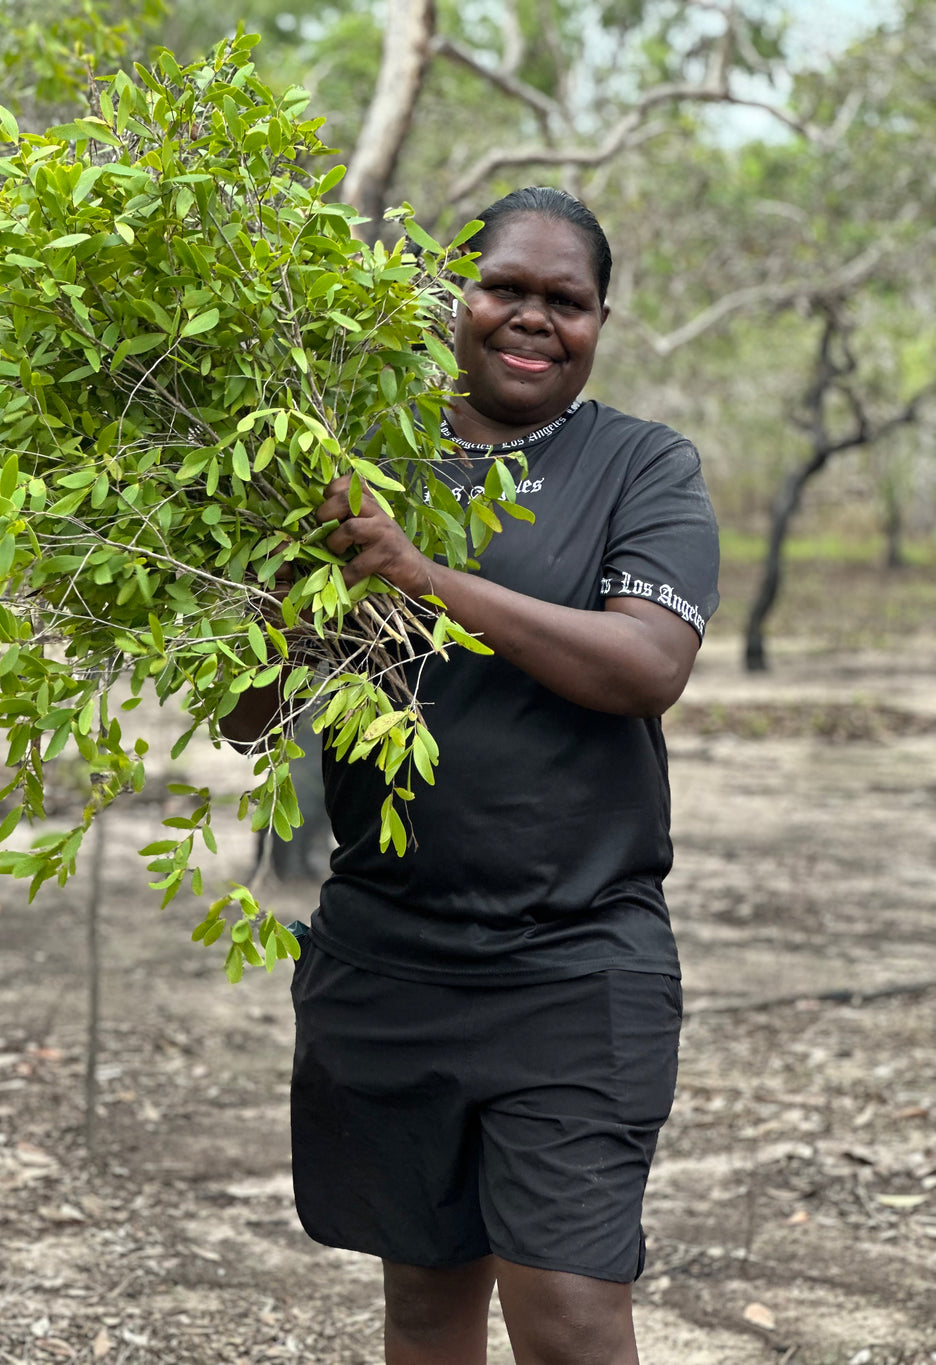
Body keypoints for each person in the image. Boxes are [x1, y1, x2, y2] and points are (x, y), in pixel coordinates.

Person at [222, 185, 719, 1365]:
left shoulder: (642, 468)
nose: (533, 318)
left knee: (570, 1316)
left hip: (577, 958)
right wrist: (282, 592)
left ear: (600, 320)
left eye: (568, 301)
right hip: (388, 953)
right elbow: (248, 720)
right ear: (448, 292)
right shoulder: (344, 460)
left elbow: (647, 665)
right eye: (506, 288)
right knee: (422, 1303)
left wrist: (412, 570)